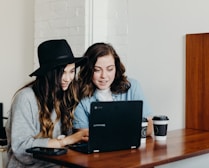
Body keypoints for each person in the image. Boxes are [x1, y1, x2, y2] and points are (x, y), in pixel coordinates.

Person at [5, 39, 88, 168]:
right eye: (62, 73)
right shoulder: (25, 98)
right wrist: (66, 141)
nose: (68, 78)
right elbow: (21, 148)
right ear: (49, 73)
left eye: (71, 71)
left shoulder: (65, 95)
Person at [73, 42, 153, 136]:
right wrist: (127, 130)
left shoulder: (132, 86)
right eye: (97, 70)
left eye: (110, 69)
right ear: (88, 70)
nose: (104, 76)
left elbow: (149, 126)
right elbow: (82, 134)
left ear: (116, 68)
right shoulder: (79, 94)